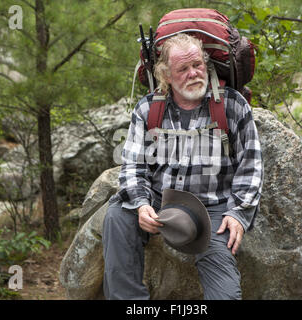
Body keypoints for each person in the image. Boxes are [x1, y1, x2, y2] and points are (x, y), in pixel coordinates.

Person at [102, 33, 263, 300]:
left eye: (198, 65)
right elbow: (132, 166)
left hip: (213, 207)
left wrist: (238, 213)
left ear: (206, 64)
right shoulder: (147, 110)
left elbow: (252, 165)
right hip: (158, 200)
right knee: (117, 215)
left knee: (225, 293)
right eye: (183, 69)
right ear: (166, 75)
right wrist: (142, 205)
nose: (193, 74)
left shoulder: (231, 105)